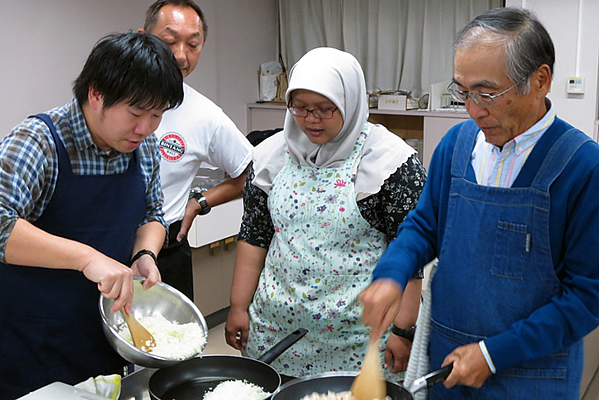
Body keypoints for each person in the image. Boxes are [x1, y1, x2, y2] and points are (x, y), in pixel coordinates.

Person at [359, 7, 599, 399]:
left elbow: (588, 296)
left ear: (540, 81)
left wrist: (491, 355)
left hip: (533, 377)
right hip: (448, 365)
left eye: (487, 94)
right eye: (463, 92)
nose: (473, 109)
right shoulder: (457, 146)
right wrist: (392, 273)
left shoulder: (582, 167)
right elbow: (423, 226)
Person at [0, 32, 184, 399]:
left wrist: (144, 254)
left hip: (106, 335)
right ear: (96, 93)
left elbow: (152, 214)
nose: (145, 128)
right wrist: (87, 258)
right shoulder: (39, 141)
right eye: (135, 113)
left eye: (157, 115)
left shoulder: (143, 148)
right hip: (31, 342)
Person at [224, 47, 427, 380]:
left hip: (358, 339)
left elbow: (412, 254)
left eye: (324, 109)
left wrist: (404, 330)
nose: (311, 119)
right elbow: (254, 236)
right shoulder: (271, 156)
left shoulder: (389, 162)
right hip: (277, 333)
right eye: (300, 108)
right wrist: (237, 307)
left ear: (350, 102)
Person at [140, 0, 253, 301]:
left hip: (166, 247)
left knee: (171, 341)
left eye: (193, 44)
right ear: (142, 37)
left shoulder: (204, 115)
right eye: (169, 41)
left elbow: (251, 171)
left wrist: (200, 202)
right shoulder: (110, 101)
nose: (180, 55)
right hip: (105, 245)